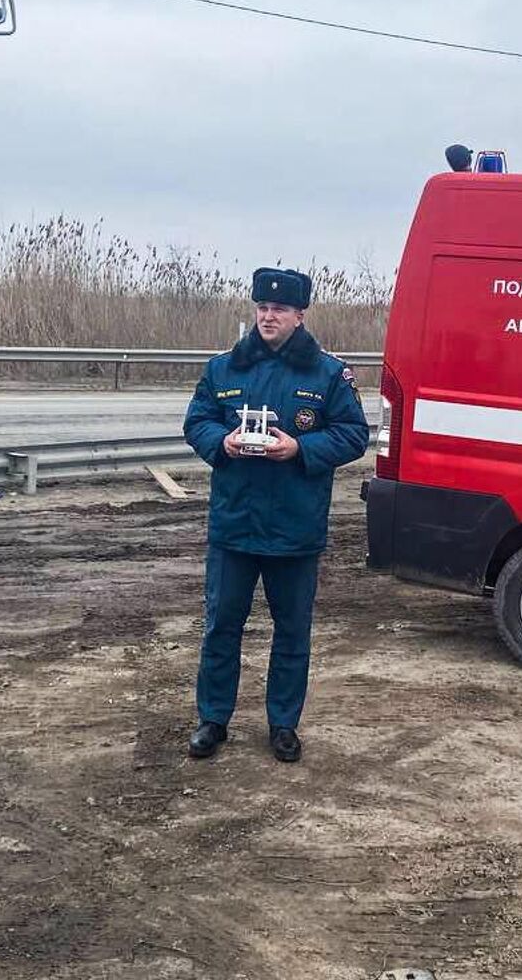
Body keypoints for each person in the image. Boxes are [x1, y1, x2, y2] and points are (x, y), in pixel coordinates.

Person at [182, 268, 370, 763]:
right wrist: (219, 442)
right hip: (235, 525)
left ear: (299, 315)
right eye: (262, 308)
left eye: (280, 309)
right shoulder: (225, 368)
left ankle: (283, 724)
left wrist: (300, 449)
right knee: (221, 625)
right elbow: (196, 421)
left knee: (292, 632)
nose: (269, 316)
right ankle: (213, 719)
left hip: (294, 527)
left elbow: (354, 435)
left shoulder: (328, 373)